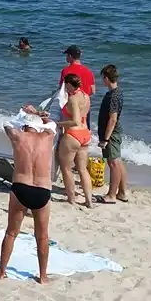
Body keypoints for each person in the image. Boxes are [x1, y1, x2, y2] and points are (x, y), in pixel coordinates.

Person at [0, 106, 58, 283]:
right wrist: (40, 115)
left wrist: (27, 115)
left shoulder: (18, 137)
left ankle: (1, 272)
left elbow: (7, 123)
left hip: (20, 188)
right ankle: (43, 276)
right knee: (42, 236)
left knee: (11, 233)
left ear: (24, 126)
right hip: (42, 190)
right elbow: (51, 124)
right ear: (40, 127)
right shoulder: (48, 137)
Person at [55, 72, 93, 208]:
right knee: (83, 169)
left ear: (70, 85)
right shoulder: (86, 96)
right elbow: (83, 117)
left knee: (66, 168)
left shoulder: (73, 99)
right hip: (85, 134)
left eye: (65, 85)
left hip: (73, 135)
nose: (64, 88)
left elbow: (75, 121)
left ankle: (71, 199)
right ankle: (89, 200)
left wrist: (58, 124)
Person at [96, 64, 128, 204]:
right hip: (114, 131)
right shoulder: (117, 92)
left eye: (103, 78)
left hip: (111, 133)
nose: (102, 81)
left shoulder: (113, 95)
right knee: (118, 161)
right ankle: (122, 192)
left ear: (107, 78)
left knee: (113, 162)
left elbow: (113, 118)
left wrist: (106, 139)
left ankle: (111, 195)